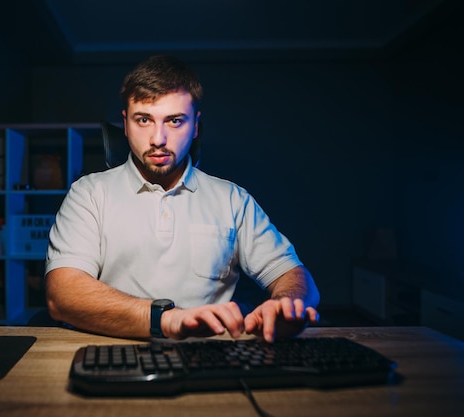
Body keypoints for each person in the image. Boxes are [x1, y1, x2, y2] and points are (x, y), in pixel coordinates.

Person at [45, 55, 320, 343]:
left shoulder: (232, 200)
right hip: (112, 354)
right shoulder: (88, 194)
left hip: (209, 358)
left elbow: (295, 276)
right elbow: (63, 294)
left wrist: (288, 303)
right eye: (143, 120)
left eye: (174, 121)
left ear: (196, 125)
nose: (158, 138)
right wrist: (166, 320)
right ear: (125, 124)